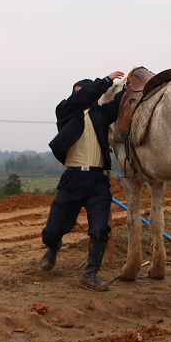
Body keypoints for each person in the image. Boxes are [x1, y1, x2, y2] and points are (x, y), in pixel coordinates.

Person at [40, 71, 125, 291]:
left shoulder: (100, 114)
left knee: (99, 230)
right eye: (78, 91)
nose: (80, 94)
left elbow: (117, 105)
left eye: (83, 91)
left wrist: (129, 86)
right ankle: (53, 245)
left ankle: (89, 275)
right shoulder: (66, 111)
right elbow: (81, 98)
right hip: (72, 179)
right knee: (52, 231)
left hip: (97, 180)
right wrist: (107, 80)